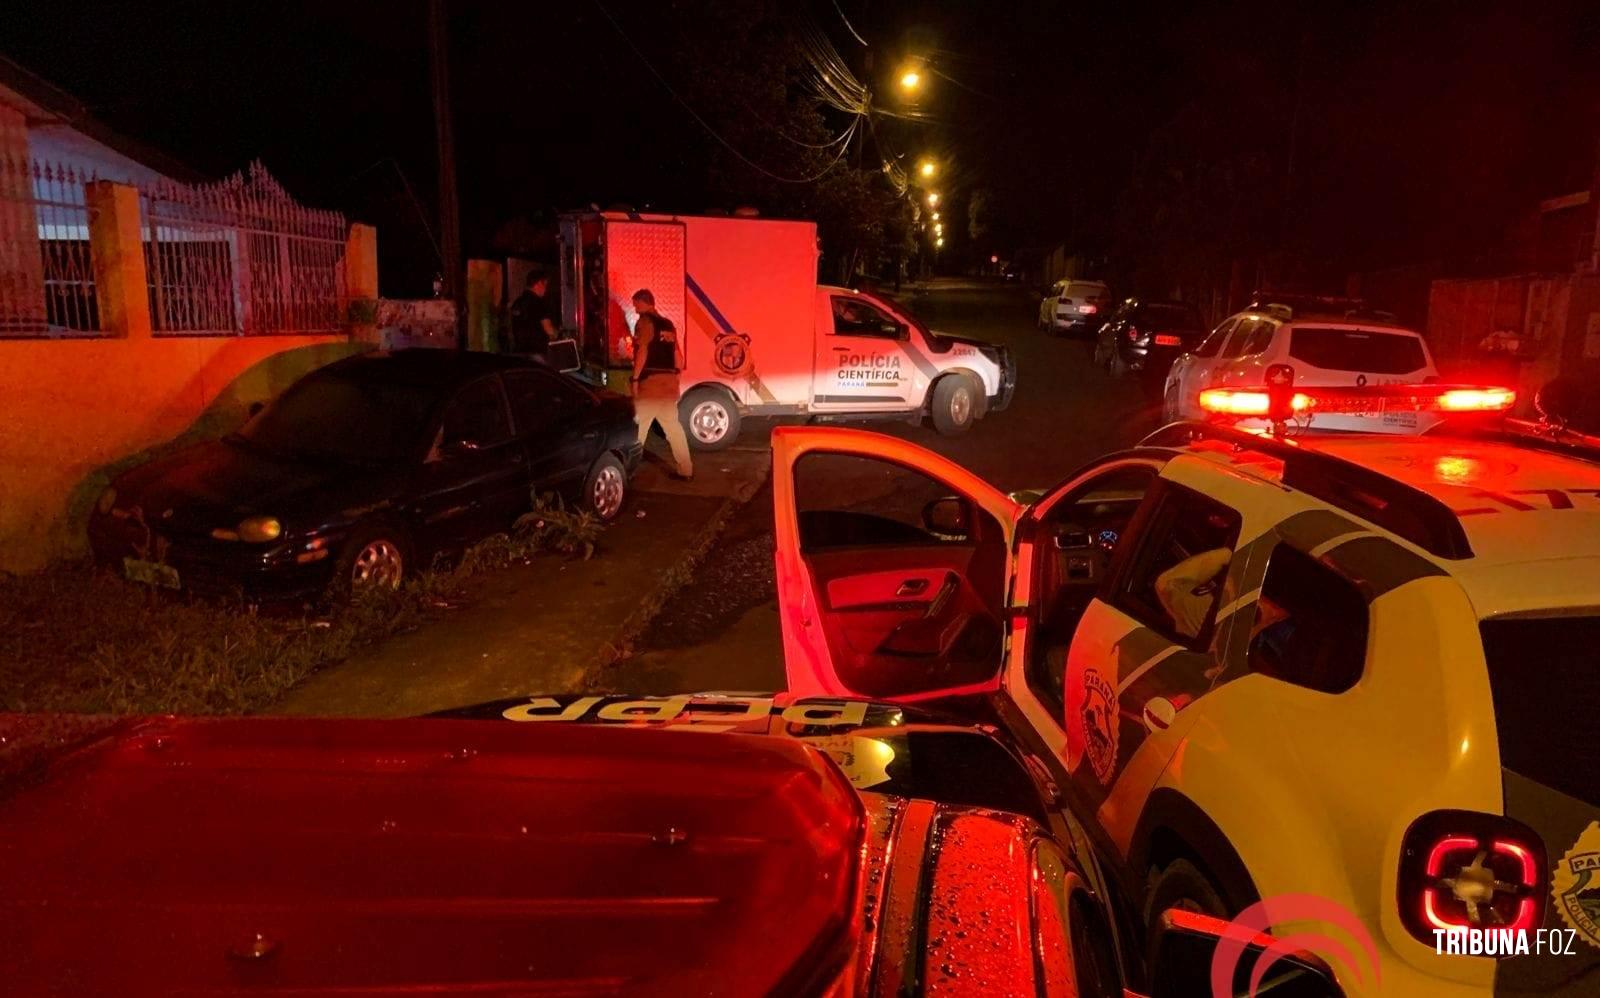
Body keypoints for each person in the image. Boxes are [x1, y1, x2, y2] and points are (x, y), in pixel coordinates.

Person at [630, 289, 693, 480]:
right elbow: (678, 359)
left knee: (637, 430)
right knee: (674, 429)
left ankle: (627, 472)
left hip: (651, 385)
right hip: (668, 384)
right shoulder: (668, 325)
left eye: (636, 304)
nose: (634, 308)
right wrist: (676, 379)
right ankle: (686, 470)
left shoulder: (644, 322)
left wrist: (634, 379)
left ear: (643, 302)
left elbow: (643, 351)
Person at [507, 267, 557, 357]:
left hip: (519, 353)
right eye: (545, 285)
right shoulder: (539, 303)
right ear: (538, 284)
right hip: (537, 353)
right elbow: (549, 330)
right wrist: (557, 334)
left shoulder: (517, 303)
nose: (545, 289)